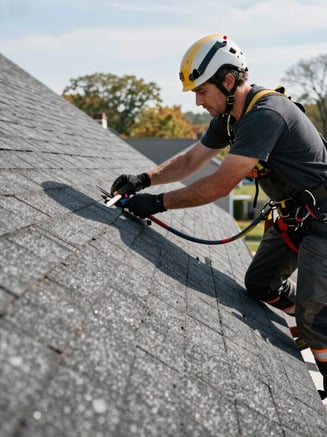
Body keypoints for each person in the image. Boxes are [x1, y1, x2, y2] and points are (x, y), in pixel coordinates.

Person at [110, 33, 327, 399]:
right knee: (259, 286)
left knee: (315, 321)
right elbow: (192, 161)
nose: (197, 100)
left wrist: (158, 204)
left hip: (323, 222)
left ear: (228, 81)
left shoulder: (266, 114)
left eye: (201, 90)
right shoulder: (229, 119)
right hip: (296, 218)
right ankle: (307, 309)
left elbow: (219, 186)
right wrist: (143, 180)